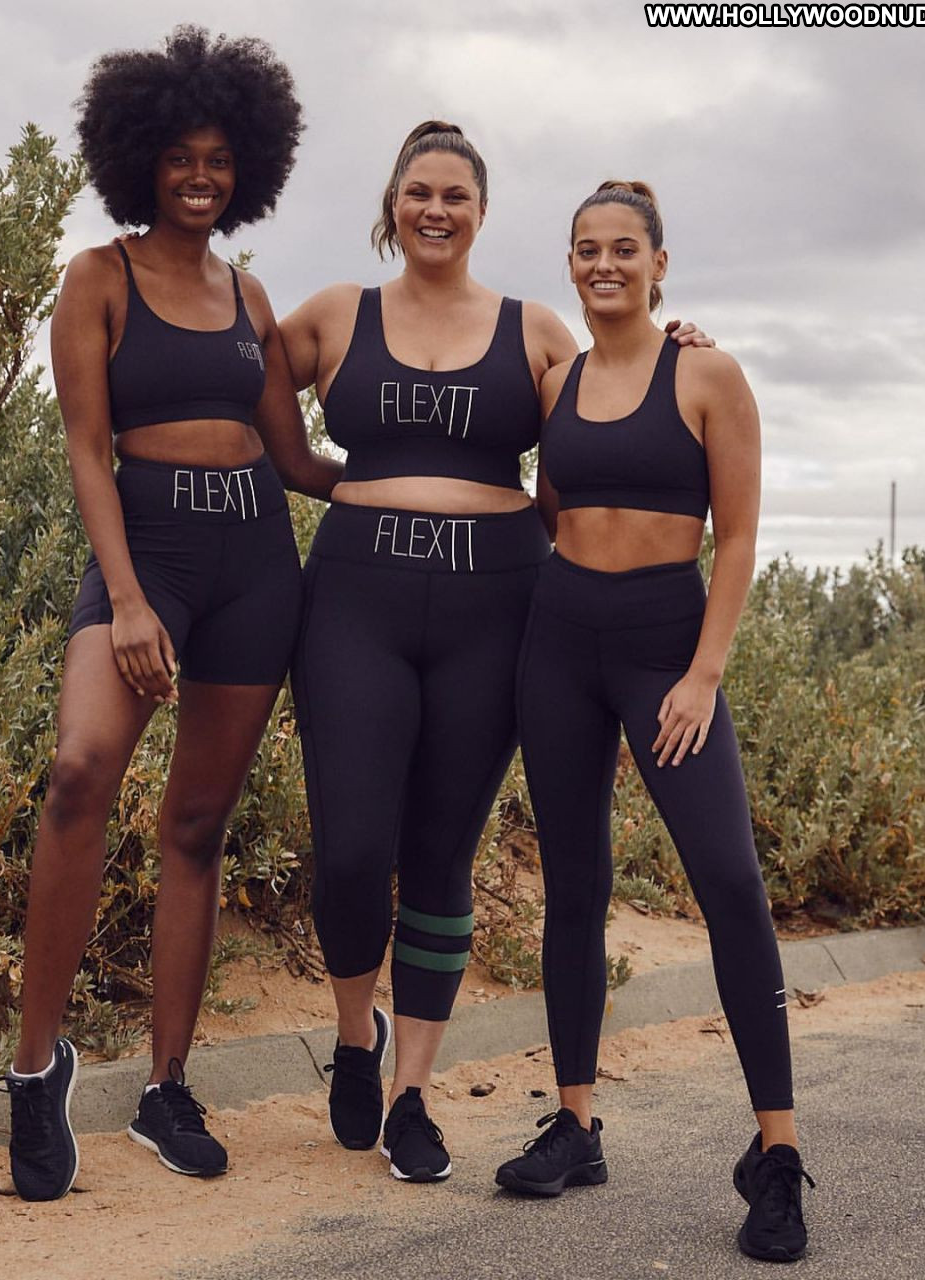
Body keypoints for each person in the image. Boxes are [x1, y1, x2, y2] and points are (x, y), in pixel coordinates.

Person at [280, 127, 710, 1184]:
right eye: (418, 191)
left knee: (441, 852)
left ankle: (412, 1095)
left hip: (495, 605)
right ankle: (354, 1034)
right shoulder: (335, 313)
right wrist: (330, 478)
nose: (436, 209)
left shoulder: (535, 330)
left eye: (456, 195)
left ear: (481, 211)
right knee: (349, 852)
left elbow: (618, 393)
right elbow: (235, 381)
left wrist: (681, 344)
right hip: (355, 601)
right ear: (393, 202)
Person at [0, 27, 339, 1202]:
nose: (200, 175)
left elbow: (297, 458)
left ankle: (166, 1086)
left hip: (253, 558)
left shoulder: (249, 294)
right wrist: (132, 599)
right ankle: (34, 1070)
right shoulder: (97, 278)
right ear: (139, 158)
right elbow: (86, 450)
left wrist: (434, 481)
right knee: (79, 770)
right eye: (181, 157)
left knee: (196, 823)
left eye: (219, 159)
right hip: (147, 557)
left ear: (249, 166)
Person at [493, 180, 814, 1261]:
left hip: (664, 648)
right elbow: (544, 505)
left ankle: (777, 1154)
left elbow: (736, 535)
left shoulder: (708, 374)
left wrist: (702, 673)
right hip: (558, 642)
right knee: (574, 884)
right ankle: (575, 1122)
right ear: (570, 262)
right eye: (586, 249)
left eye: (623, 248)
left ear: (658, 263)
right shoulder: (557, 381)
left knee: (728, 880)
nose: (603, 264)